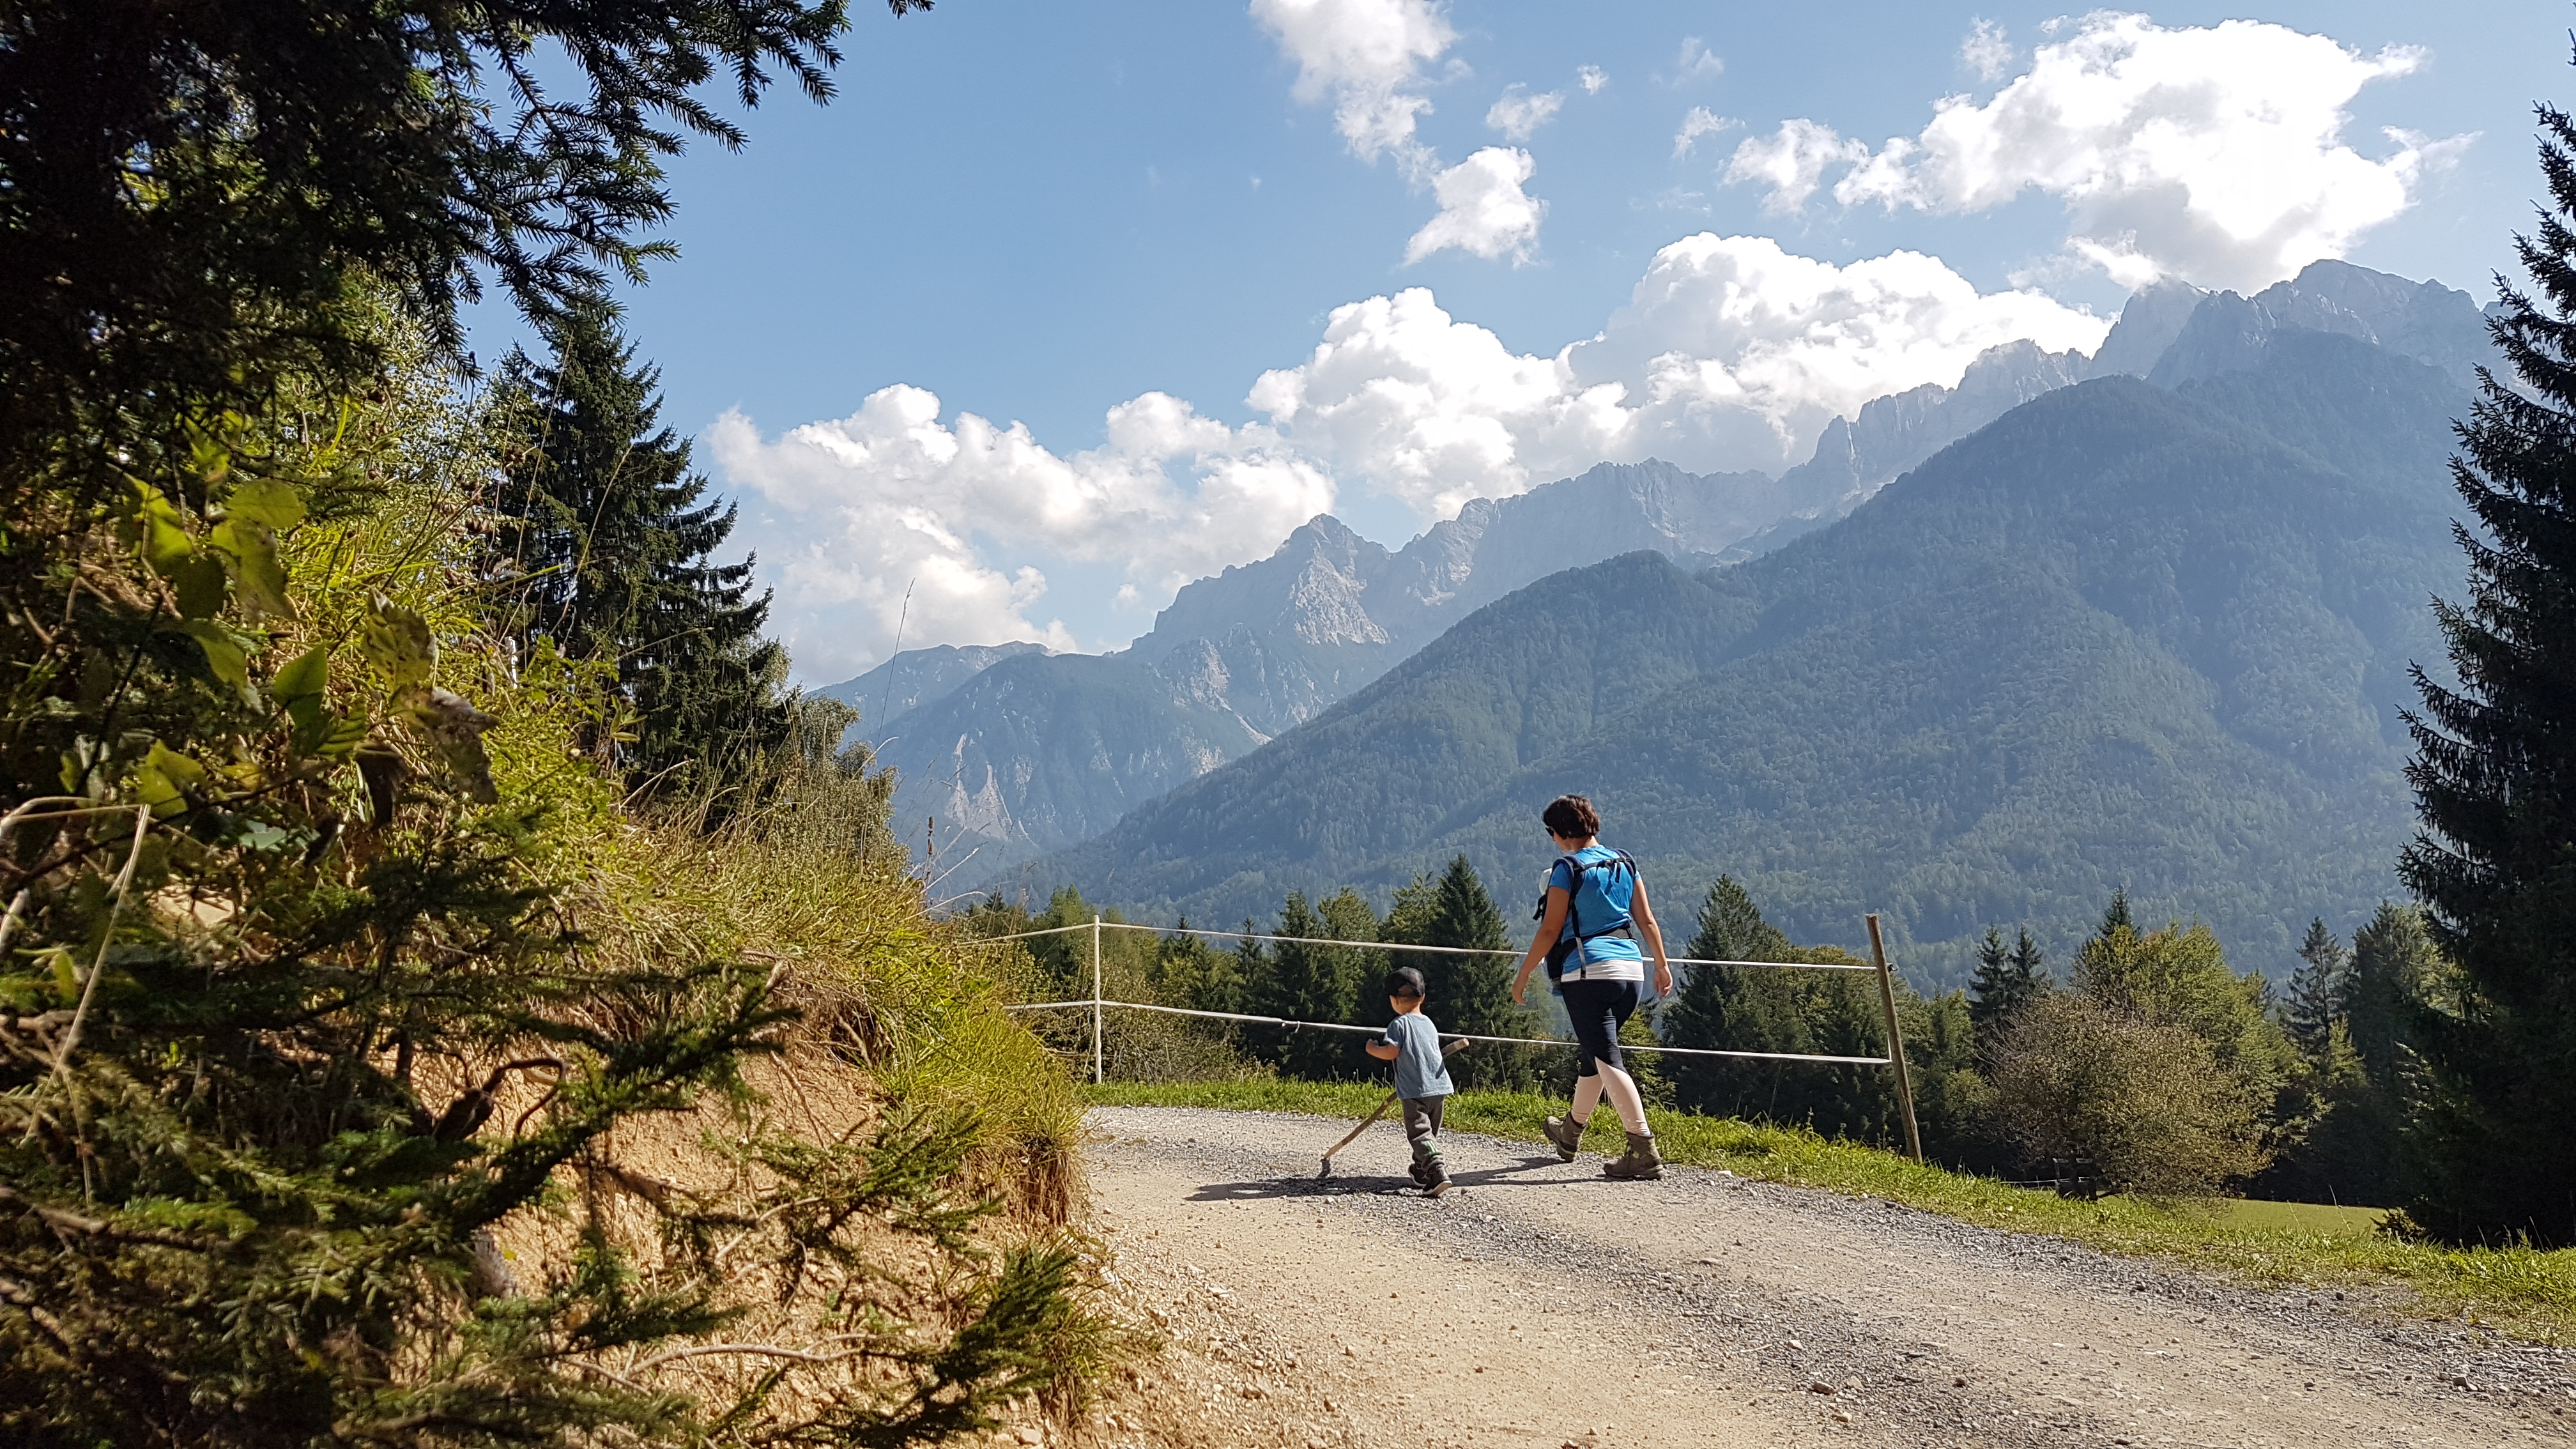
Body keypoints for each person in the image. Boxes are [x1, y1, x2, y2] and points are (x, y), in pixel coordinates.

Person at [1511, 793, 1673, 1180]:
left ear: (1561, 832)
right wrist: (1662, 964)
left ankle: (1643, 1148)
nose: (1552, 839)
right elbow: (1647, 920)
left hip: (1588, 973)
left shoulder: (1567, 868)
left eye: (1551, 832)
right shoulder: (1625, 861)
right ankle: (1569, 1134)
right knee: (1595, 1056)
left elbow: (1550, 930)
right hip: (1631, 971)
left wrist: (1523, 974)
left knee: (1607, 1057)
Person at [1365, 966, 1456, 1197]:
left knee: (1419, 1133)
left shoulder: (1399, 1024)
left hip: (1415, 1091)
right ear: (1423, 997)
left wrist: (1372, 1048)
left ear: (1394, 1000)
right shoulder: (1429, 1023)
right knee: (1428, 1133)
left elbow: (1392, 1052)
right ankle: (1421, 1170)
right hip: (1438, 1088)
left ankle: (1437, 1172)